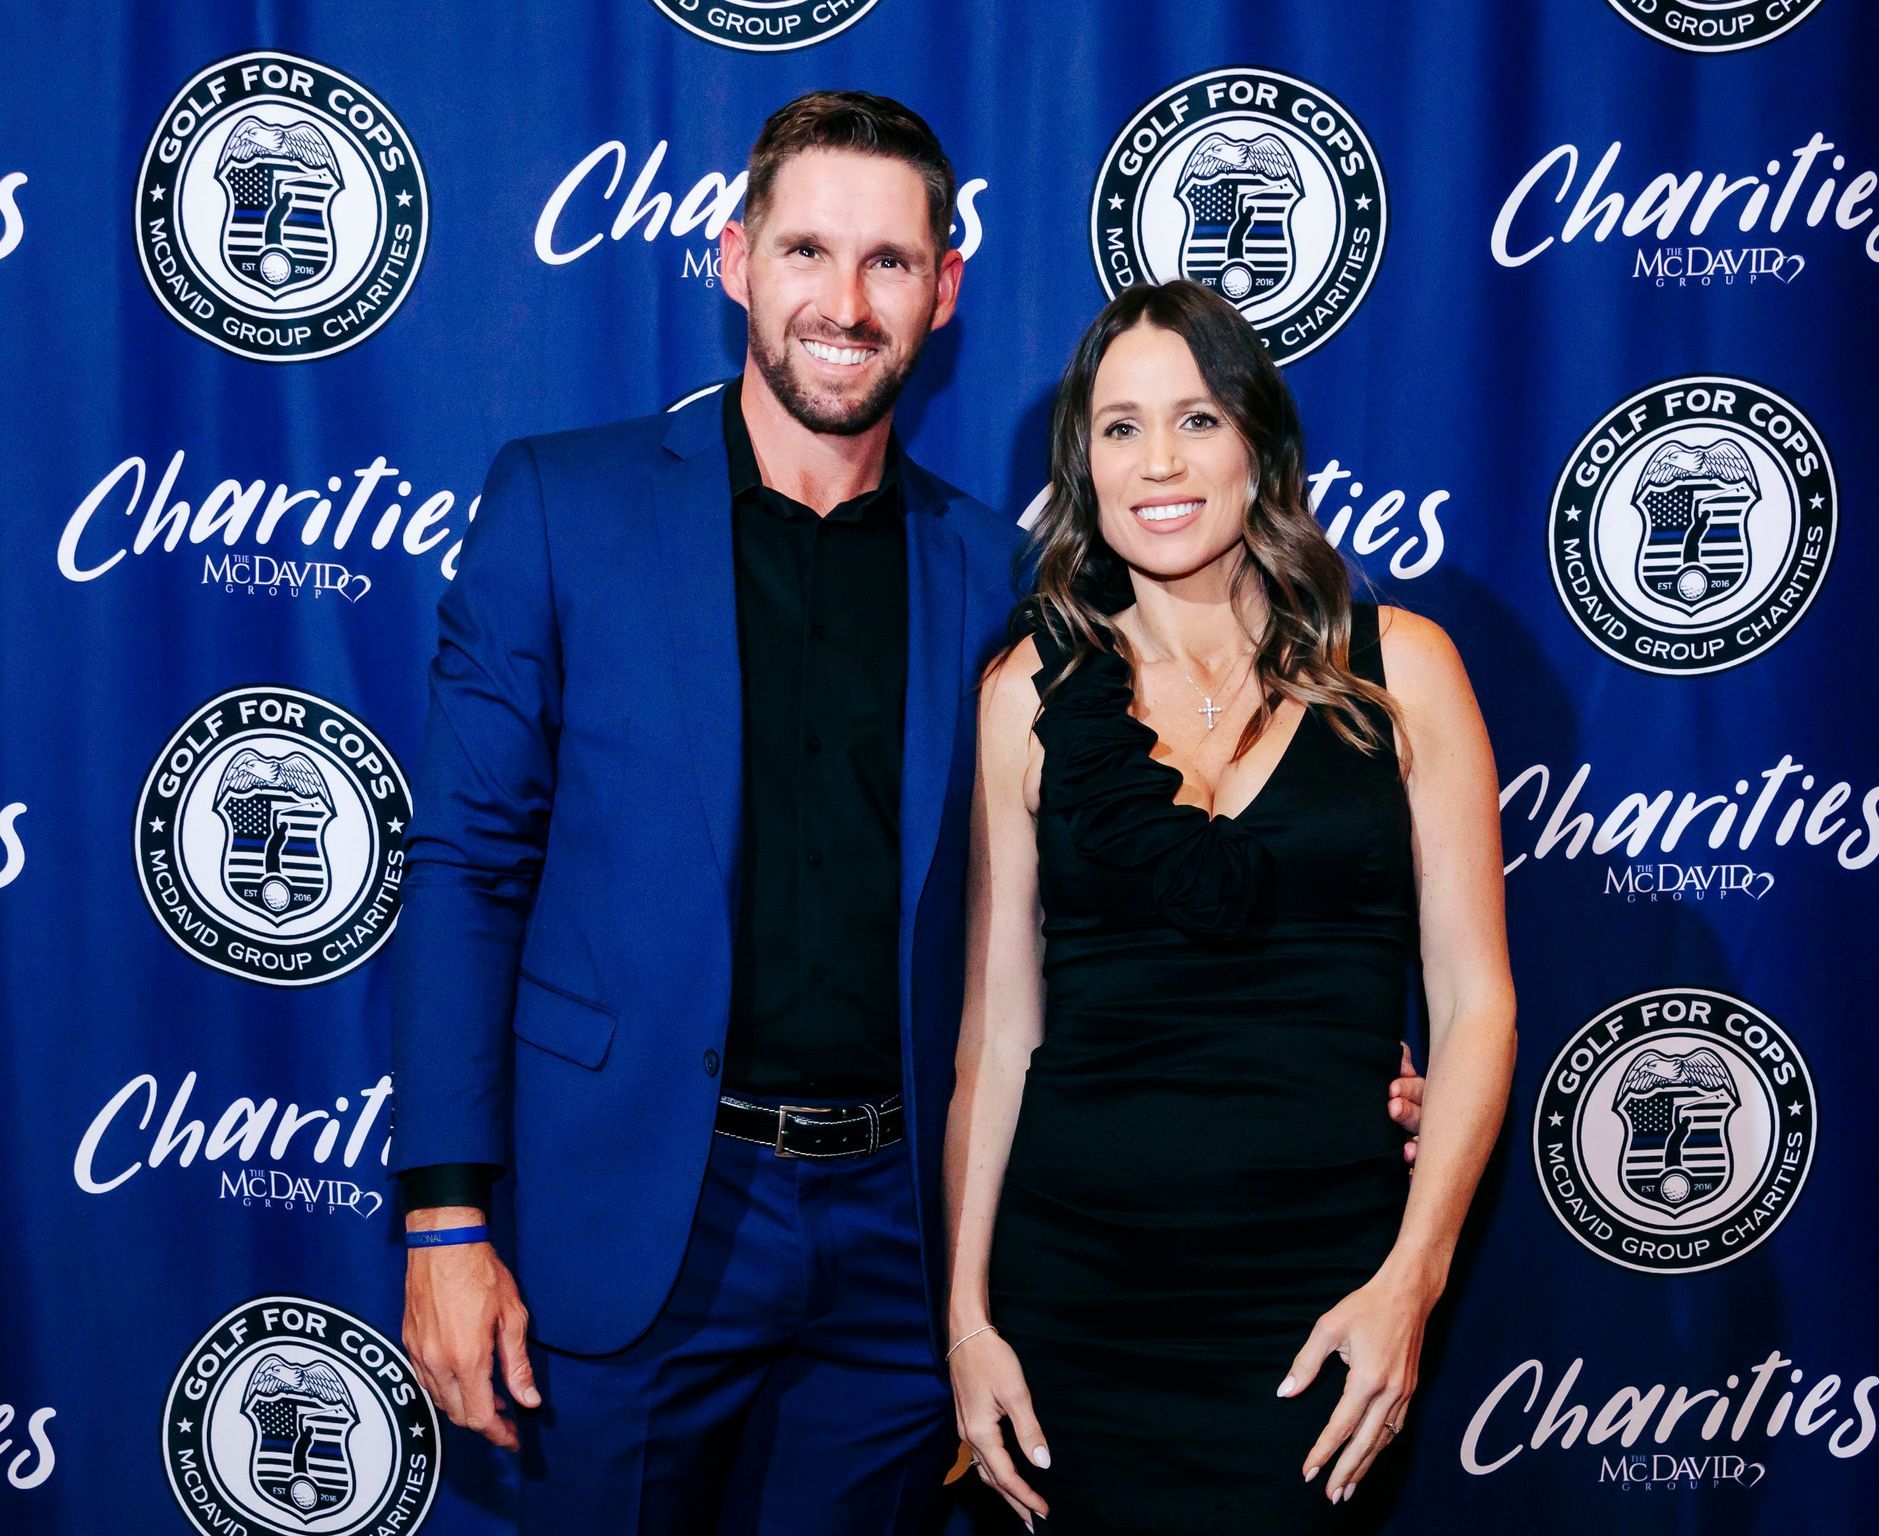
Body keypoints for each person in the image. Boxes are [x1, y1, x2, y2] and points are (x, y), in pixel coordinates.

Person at [392, 90, 1429, 1533]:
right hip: (636, 1216)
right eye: (807, 250)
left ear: (943, 291)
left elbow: (1107, 889)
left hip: (902, 1249)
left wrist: (1334, 1053)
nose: (845, 301)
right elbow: (464, 865)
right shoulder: (566, 507)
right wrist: (445, 1212)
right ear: (734, 260)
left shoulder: (1005, 589)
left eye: (889, 261)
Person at [945, 280, 1516, 1533]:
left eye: (1197, 419)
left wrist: (1411, 1284)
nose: (1159, 461)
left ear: (1259, 447)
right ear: (1084, 467)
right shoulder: (1023, 696)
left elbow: (1476, 1001)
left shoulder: (1405, 670)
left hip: (1322, 1303)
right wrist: (969, 1318)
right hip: (1074, 1302)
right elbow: (998, 1035)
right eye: (1121, 427)